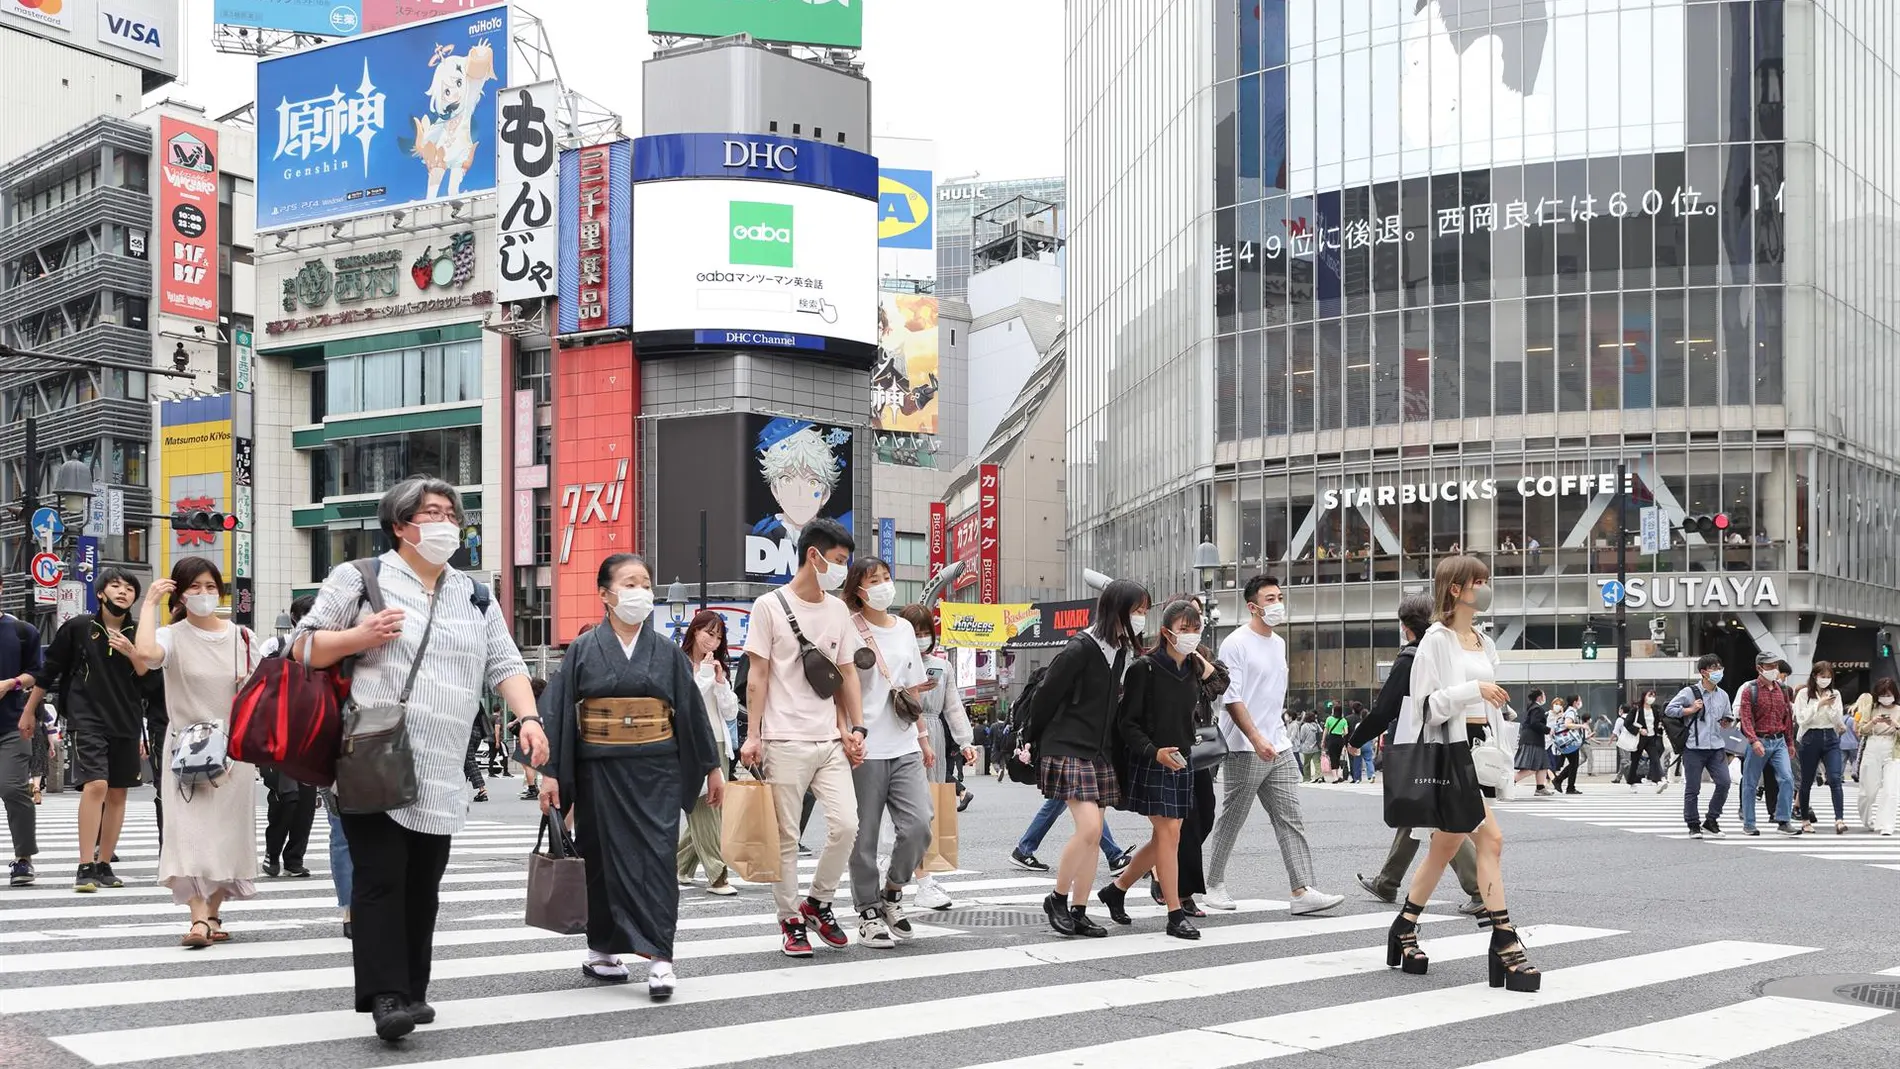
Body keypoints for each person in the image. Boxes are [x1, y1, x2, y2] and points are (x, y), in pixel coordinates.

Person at [293, 477, 550, 1041]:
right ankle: (385, 995)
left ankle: (412, 989)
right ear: (400, 525)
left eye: (451, 513)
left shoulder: (474, 593)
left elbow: (503, 663)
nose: (445, 523)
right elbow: (304, 645)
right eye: (431, 512)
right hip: (374, 751)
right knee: (381, 876)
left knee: (424, 879)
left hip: (442, 761)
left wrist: (528, 718)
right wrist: (359, 636)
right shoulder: (361, 578)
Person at [537, 554, 721, 999]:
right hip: (598, 769)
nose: (640, 591)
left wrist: (712, 767)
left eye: (645, 583)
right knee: (599, 858)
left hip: (656, 768)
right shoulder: (583, 650)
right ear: (605, 594)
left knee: (657, 858)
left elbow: (692, 713)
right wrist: (550, 774)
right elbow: (559, 713)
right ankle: (602, 949)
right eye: (629, 583)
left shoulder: (665, 652)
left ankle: (660, 956)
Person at [1387, 554, 1539, 993]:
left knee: (1445, 846)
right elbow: (1427, 706)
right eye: (1479, 581)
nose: (1485, 588)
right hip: (1449, 754)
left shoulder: (1482, 641)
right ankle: (1506, 944)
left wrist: (1492, 705)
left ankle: (1405, 926)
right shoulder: (1436, 639)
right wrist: (1475, 689)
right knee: (1491, 839)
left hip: (1479, 752)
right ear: (1456, 589)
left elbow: (1482, 701)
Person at [739, 517, 865, 958]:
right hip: (782, 737)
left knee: (847, 823)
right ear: (814, 555)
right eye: (838, 560)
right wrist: (753, 735)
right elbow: (758, 675)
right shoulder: (768, 606)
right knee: (787, 836)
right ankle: (790, 919)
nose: (842, 570)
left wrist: (854, 728)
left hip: (828, 739)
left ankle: (817, 901)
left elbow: (846, 671)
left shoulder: (838, 612)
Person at [131, 556, 260, 948]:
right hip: (186, 752)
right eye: (194, 588)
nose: (204, 595)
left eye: (210, 587)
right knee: (188, 835)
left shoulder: (242, 637)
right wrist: (150, 604)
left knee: (226, 836)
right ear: (181, 595)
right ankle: (198, 919)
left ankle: (214, 912)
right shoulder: (172, 636)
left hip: (232, 754)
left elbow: (259, 694)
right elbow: (146, 657)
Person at [1204, 575, 1344, 915]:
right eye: (1270, 599)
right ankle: (1213, 884)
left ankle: (1301, 890)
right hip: (1244, 745)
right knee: (1233, 817)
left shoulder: (1279, 643)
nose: (1277, 604)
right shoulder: (1235, 643)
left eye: (1279, 596)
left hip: (1278, 744)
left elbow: (1271, 697)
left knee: (1290, 818)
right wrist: (1255, 737)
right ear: (1252, 606)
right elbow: (1232, 698)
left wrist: (1274, 736)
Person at [1025, 579, 1150, 938]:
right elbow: (1046, 695)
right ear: (1117, 610)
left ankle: (1079, 909)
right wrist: (1034, 740)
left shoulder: (1119, 651)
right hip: (1066, 746)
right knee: (1090, 829)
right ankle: (1057, 899)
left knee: (1093, 837)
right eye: (1137, 610)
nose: (1141, 617)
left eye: (1144, 611)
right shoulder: (1081, 646)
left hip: (1097, 751)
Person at [15, 568, 154, 892]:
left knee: (118, 792)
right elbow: (49, 672)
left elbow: (150, 682)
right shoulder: (78, 627)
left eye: (129, 588)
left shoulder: (139, 633)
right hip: (86, 717)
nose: (123, 592)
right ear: (101, 593)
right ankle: (84, 865)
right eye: (115, 586)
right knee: (97, 785)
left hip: (127, 719)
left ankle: (104, 864)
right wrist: (29, 711)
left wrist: (133, 653)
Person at [1352, 594, 1484, 916]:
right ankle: (1388, 880)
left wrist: (1356, 739)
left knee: (1438, 818)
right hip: (1453, 742)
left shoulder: (1412, 658)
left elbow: (1384, 710)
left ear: (1404, 625)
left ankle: (1480, 888)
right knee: (1419, 813)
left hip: (1422, 746)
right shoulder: (1448, 650)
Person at [1097, 598, 1217, 940]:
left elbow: (1220, 684)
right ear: (1166, 632)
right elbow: (1127, 724)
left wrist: (1195, 657)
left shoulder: (1193, 668)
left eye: (1196, 630)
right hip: (1152, 759)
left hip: (1183, 759)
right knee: (1168, 835)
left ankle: (1116, 890)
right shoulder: (1144, 668)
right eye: (1184, 630)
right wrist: (1153, 753)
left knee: (1166, 836)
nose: (1191, 636)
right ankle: (1174, 912)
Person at [836, 559, 936, 948]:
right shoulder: (847, 626)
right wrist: (846, 732)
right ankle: (868, 912)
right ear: (857, 589)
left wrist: (924, 738)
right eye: (872, 581)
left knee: (919, 826)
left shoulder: (906, 628)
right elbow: (839, 686)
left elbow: (912, 688)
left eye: (885, 579)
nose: (882, 586)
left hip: (904, 743)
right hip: (865, 747)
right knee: (864, 837)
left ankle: (893, 892)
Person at [899, 603, 978, 911]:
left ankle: (917, 874)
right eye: (914, 632)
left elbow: (953, 706)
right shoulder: (895, 662)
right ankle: (913, 875)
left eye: (925, 633)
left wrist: (966, 741)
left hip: (933, 734)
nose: (920, 638)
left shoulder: (942, 666)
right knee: (906, 809)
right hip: (902, 732)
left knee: (926, 808)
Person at [677, 610, 739, 898]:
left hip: (720, 743)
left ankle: (676, 866)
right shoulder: (678, 664)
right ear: (694, 631)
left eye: (718, 636)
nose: (712, 641)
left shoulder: (716, 667)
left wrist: (720, 682)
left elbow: (729, 711)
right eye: (708, 633)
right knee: (705, 810)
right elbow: (688, 705)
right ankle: (717, 875)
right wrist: (703, 675)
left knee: (713, 811)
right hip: (691, 746)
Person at [256, 595, 319, 878]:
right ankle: (272, 851)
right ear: (295, 618)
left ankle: (295, 858)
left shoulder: (327, 652)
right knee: (286, 797)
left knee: (306, 802)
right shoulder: (275, 646)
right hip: (276, 736)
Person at [1, 601, 44, 888]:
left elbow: (38, 672)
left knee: (12, 788)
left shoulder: (22, 631)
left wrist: (11, 683)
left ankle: (23, 858)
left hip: (11, 724)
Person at [1667, 655, 1732, 838]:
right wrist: (1689, 710)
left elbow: (1728, 714)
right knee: (1693, 788)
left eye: (1720, 667)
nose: (1718, 671)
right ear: (1704, 672)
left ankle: (1711, 820)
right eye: (1714, 668)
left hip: (1716, 746)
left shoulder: (1723, 694)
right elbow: (1669, 709)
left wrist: (1727, 721)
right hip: (1694, 747)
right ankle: (1693, 824)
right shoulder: (1690, 692)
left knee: (1724, 782)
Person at [1736, 651, 1800, 836]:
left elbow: (1787, 717)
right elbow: (1745, 718)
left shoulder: (1782, 690)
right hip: (1758, 740)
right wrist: (1753, 740)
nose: (1773, 670)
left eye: (1775, 666)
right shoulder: (1750, 690)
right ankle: (1749, 823)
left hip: (1779, 740)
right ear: (1759, 668)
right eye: (1769, 666)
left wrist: (1790, 743)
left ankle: (1783, 820)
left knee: (1787, 778)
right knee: (1750, 782)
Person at [1792, 661, 1848, 835]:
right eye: (1822, 676)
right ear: (1814, 676)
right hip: (1810, 738)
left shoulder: (1835, 693)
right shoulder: (1803, 694)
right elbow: (1801, 719)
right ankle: (1805, 820)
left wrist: (1830, 708)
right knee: (1806, 781)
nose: (1825, 680)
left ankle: (1839, 819)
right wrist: (1819, 704)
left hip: (1830, 737)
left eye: (1829, 676)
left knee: (1835, 778)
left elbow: (1837, 719)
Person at [1009, 798, 1133, 876]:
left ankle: (1023, 850)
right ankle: (1114, 857)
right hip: (1069, 760)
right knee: (1086, 804)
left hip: (1067, 759)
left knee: (1057, 804)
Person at [1855, 678, 1900, 835]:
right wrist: (1873, 722)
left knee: (1890, 790)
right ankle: (1867, 820)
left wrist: (1895, 724)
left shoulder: (1899, 710)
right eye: (1882, 694)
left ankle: (1886, 825)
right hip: (1872, 747)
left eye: (1888, 694)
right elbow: (1861, 731)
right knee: (1867, 791)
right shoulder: (1871, 708)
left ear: (1894, 693)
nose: (1885, 697)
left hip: (1893, 750)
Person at [1623, 688, 1668, 793]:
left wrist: (1660, 727)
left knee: (1655, 759)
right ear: (1644, 696)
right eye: (1650, 695)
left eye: (1653, 696)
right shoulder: (1636, 710)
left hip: (1651, 738)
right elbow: (1627, 723)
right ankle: (1632, 783)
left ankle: (1660, 779)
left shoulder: (1655, 710)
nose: (1652, 698)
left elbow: (1657, 723)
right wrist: (1639, 730)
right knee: (1635, 761)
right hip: (1639, 739)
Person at [1512, 687, 1553, 797]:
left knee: (1543, 765)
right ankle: (1510, 782)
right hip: (1532, 741)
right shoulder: (1537, 709)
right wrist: (1548, 730)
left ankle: (1540, 788)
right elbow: (1535, 723)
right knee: (1532, 767)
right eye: (1543, 695)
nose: (1545, 697)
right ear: (1539, 697)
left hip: (1533, 740)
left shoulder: (1532, 707)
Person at [1550, 701, 1586, 795]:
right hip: (1570, 741)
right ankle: (1565, 784)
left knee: (1573, 764)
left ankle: (1563, 783)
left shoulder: (1568, 711)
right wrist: (1581, 726)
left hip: (1566, 742)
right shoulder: (1571, 712)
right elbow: (1568, 724)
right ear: (1574, 702)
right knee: (1574, 764)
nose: (1580, 702)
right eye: (1579, 700)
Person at [1322, 704, 1350, 783]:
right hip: (1339, 739)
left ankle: (1335, 777)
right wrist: (1341, 734)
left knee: (1332, 757)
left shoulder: (1329, 719)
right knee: (1337, 757)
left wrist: (1323, 741)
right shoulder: (1343, 720)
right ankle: (1337, 775)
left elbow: (1325, 731)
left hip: (1331, 739)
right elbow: (1346, 732)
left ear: (1333, 711)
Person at [1296, 711, 1321, 782]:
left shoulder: (1304, 726)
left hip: (1306, 748)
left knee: (1306, 764)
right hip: (1316, 747)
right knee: (1317, 762)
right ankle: (1319, 776)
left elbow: (1302, 738)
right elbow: (1320, 733)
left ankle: (1307, 778)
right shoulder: (1316, 725)